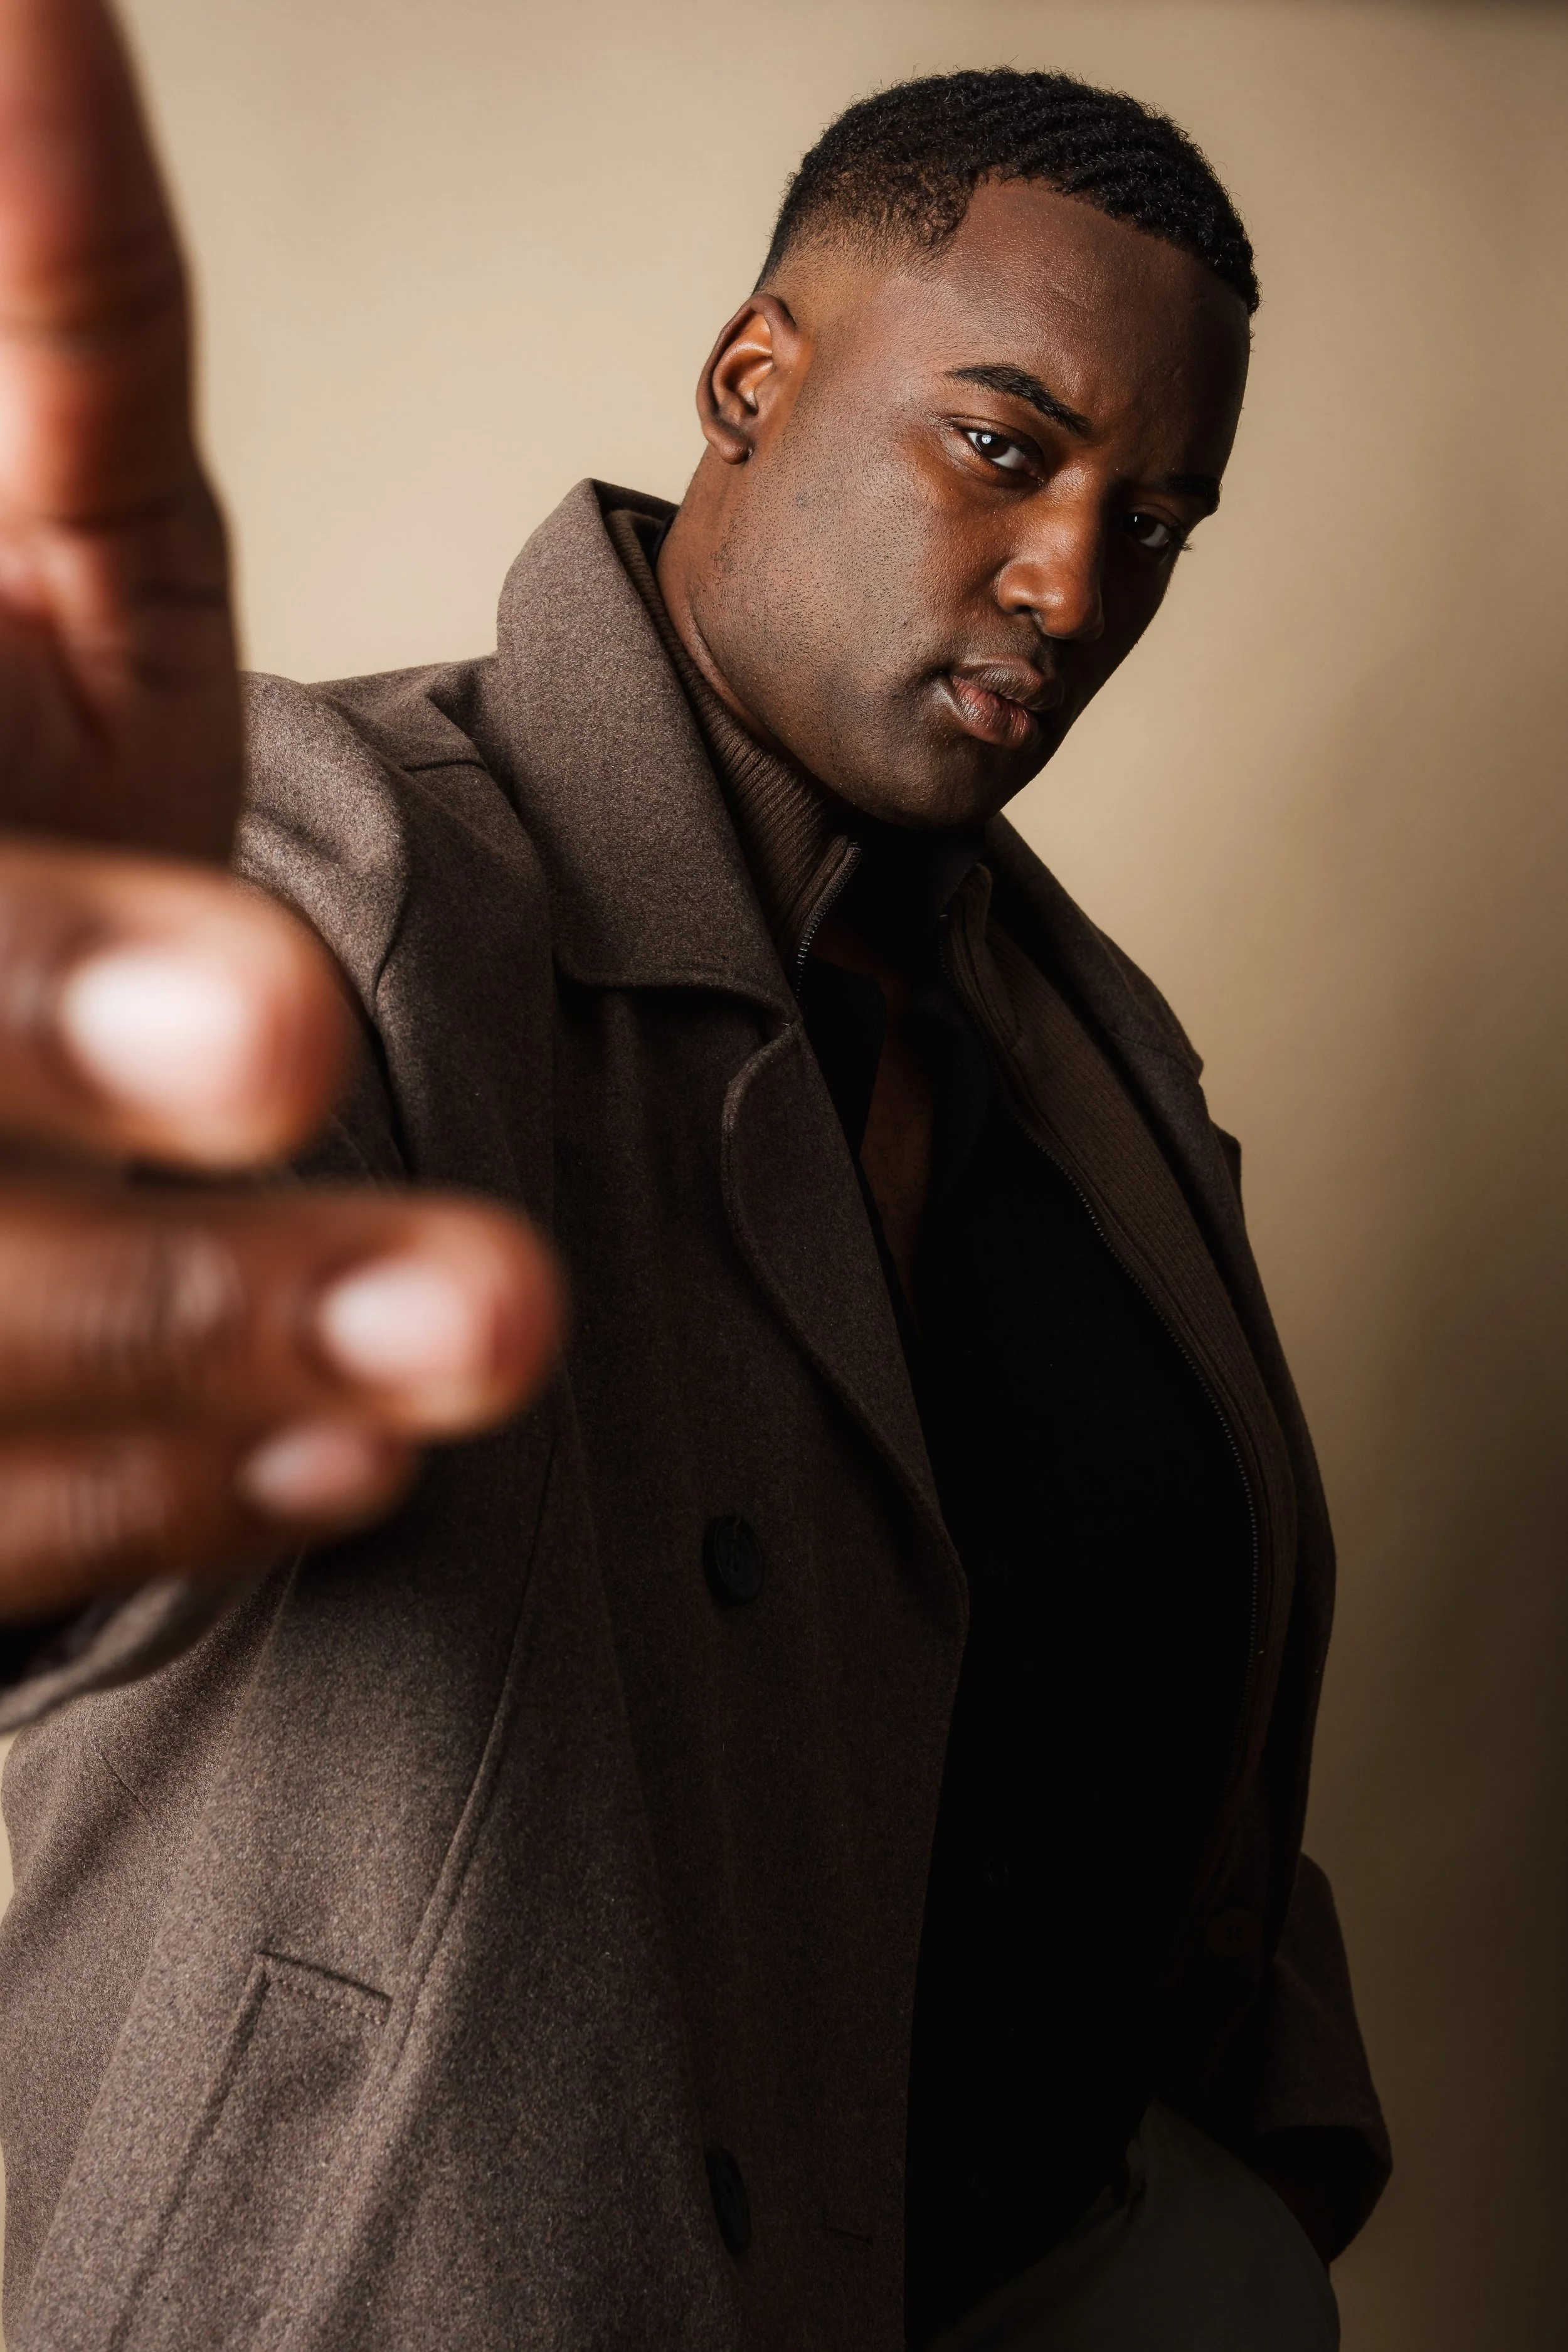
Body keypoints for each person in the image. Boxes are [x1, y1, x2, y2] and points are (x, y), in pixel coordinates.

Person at [0, 10, 1387, 2348]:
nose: (1073, 581)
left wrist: (1236, 2200)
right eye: (1002, 446)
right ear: (755, 376)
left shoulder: (1082, 1035)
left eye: (1151, 524)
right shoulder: (346, 859)